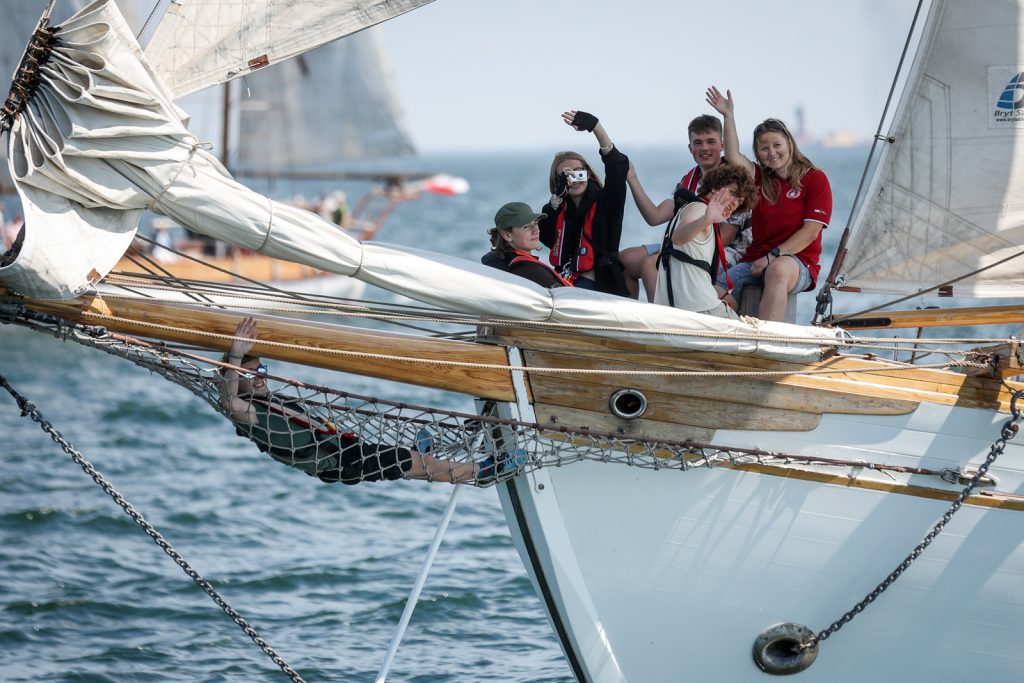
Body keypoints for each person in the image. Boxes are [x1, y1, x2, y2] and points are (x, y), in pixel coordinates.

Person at [220, 317, 506, 485]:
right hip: (339, 462)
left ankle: (431, 457)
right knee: (415, 463)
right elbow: (230, 403)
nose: (259, 377)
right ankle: (483, 472)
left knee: (410, 465)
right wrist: (235, 355)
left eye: (261, 370)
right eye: (249, 373)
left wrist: (239, 362)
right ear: (235, 376)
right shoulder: (249, 413)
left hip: (345, 449)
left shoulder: (270, 399)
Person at [707, 86, 832, 321]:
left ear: (789, 144)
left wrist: (773, 256)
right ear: (758, 153)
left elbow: (810, 232)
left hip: (798, 262)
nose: (772, 152)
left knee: (777, 270)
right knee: (711, 292)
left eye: (777, 145)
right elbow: (733, 156)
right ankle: (732, 331)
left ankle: (766, 336)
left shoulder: (815, 179)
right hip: (755, 260)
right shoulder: (760, 178)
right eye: (764, 148)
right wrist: (728, 116)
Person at [624, 114, 751, 301]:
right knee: (626, 260)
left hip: (725, 252)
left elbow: (724, 238)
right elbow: (655, 216)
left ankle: (663, 317)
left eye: (711, 142)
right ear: (690, 148)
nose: (704, 148)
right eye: (698, 143)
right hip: (686, 240)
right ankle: (627, 315)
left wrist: (673, 251)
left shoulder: (733, 179)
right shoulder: (689, 180)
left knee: (652, 265)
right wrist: (632, 178)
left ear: (722, 145)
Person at [539, 110, 630, 297]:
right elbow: (544, 236)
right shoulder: (557, 210)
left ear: (588, 174)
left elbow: (617, 168)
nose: (574, 178)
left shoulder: (607, 201)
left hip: (601, 286)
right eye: (566, 175)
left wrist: (596, 128)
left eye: (578, 172)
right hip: (564, 284)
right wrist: (556, 198)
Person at [653, 164, 757, 318]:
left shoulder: (693, 208)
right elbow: (678, 237)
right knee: (750, 330)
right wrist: (706, 220)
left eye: (740, 201)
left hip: (675, 310)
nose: (735, 202)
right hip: (701, 309)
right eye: (733, 193)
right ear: (715, 187)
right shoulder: (699, 209)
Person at [481, 202, 573, 288]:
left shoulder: (494, 260)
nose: (536, 230)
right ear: (507, 235)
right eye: (526, 227)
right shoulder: (529, 269)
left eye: (535, 223)